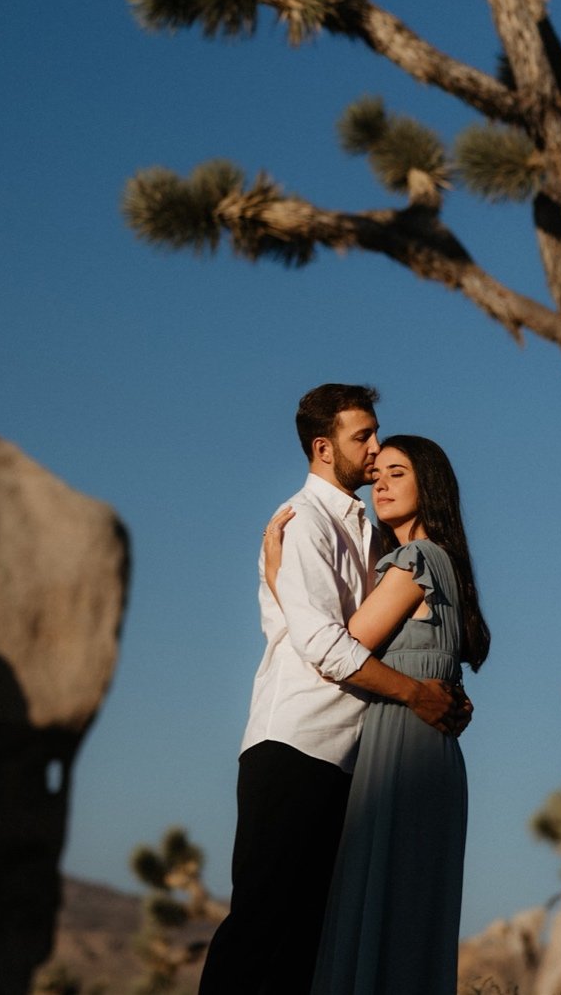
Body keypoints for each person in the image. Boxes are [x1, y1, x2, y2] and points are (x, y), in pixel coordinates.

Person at [194, 384, 468, 995]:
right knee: (262, 927)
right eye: (361, 437)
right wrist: (415, 694)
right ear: (323, 447)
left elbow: (384, 634)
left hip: (354, 758)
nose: (374, 449)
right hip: (295, 742)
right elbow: (322, 646)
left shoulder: (375, 538)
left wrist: (436, 681)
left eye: (377, 434)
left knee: (310, 944)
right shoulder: (302, 522)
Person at [261, 435, 491, 995]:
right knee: (404, 908)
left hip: (402, 749)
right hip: (421, 748)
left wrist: (279, 575)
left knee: (384, 902)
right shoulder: (441, 565)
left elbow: (343, 645)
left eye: (397, 473)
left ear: (427, 485)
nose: (380, 483)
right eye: (378, 473)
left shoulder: (415, 560)